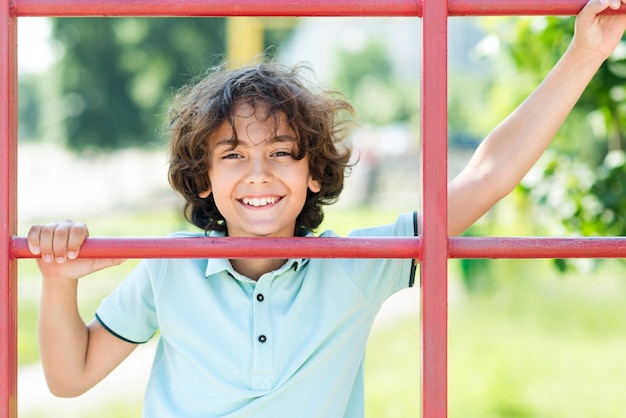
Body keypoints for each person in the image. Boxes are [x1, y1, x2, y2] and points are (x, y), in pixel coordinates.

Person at [26, 0, 626, 416]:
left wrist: (585, 55)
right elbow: (70, 377)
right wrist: (57, 282)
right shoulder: (167, 266)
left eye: (282, 152)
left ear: (314, 172)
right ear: (202, 180)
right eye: (232, 155)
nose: (259, 174)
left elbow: (487, 176)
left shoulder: (354, 266)